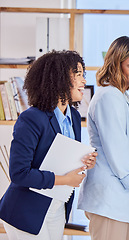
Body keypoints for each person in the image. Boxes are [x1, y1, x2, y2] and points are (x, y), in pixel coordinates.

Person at [0, 50, 97, 240]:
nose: (83, 80)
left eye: (82, 74)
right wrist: (66, 180)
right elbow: (19, 174)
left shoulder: (74, 117)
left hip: (56, 207)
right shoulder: (31, 118)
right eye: (77, 74)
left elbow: (61, 159)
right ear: (59, 78)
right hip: (26, 211)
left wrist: (85, 161)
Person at [77, 36, 129, 240]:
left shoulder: (122, 97)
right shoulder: (108, 97)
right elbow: (119, 155)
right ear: (116, 66)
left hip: (122, 202)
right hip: (109, 202)